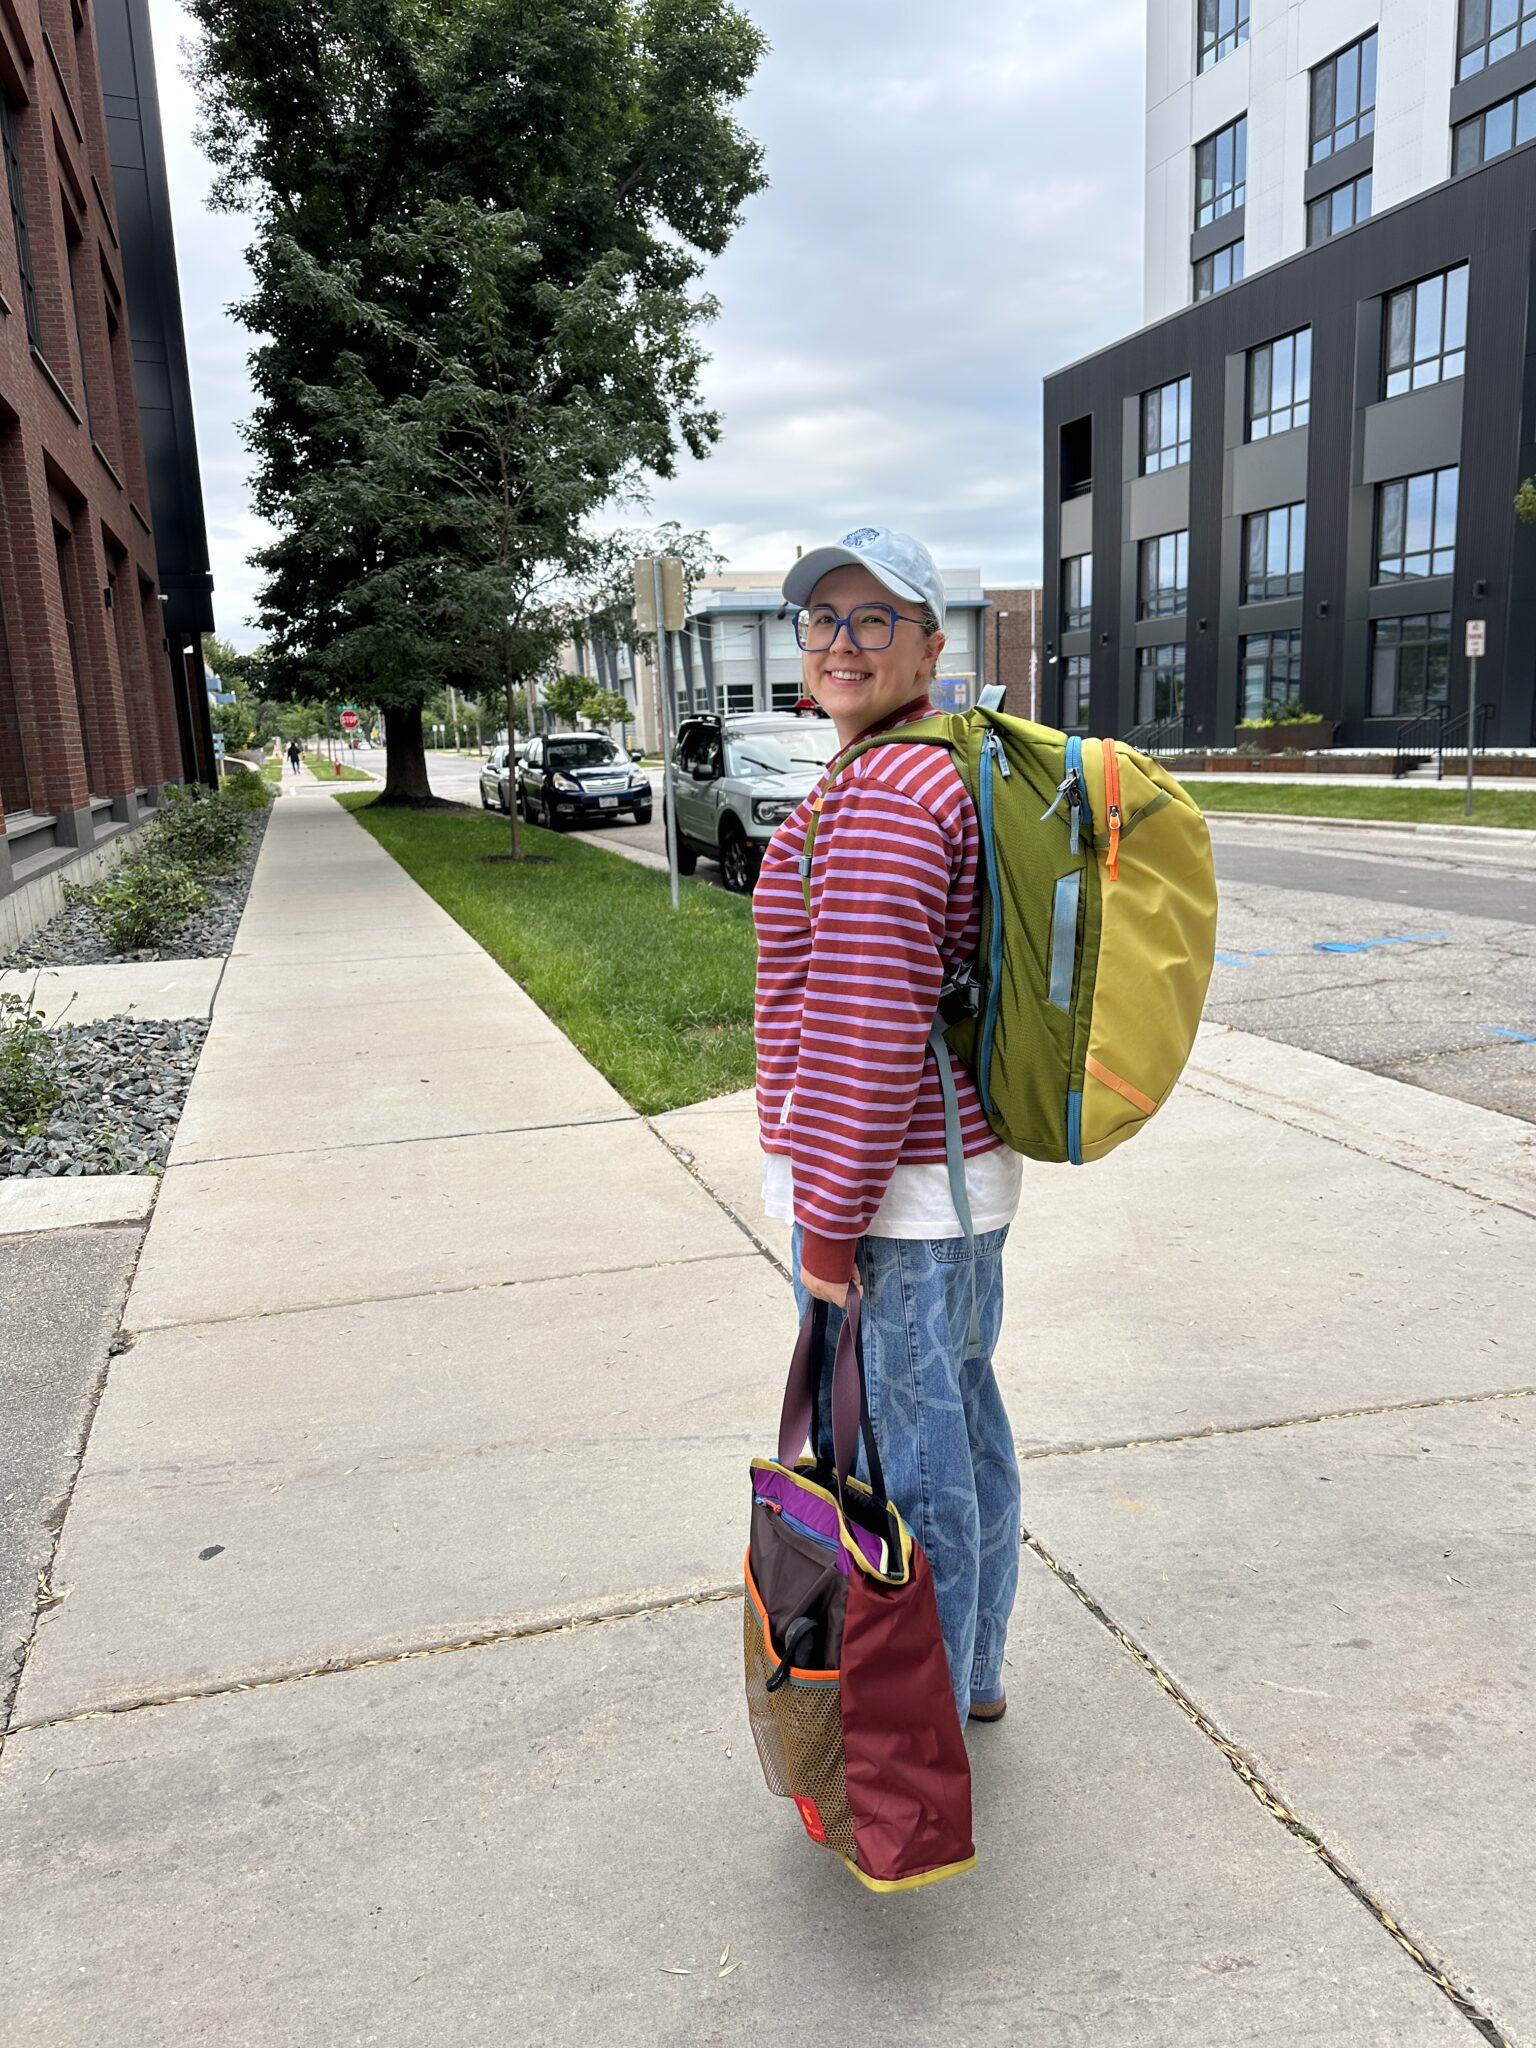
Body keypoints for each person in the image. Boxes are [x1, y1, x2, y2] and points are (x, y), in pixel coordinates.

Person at [754, 526, 1022, 1727]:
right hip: (944, 1189)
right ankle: (968, 1680)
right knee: (960, 1430)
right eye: (823, 620)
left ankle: (923, 1729)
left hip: (900, 1197)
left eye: (874, 619)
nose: (842, 641)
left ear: (930, 643)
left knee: (912, 1477)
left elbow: (863, 1030)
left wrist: (826, 1225)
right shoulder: (899, 768)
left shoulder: (889, 793)